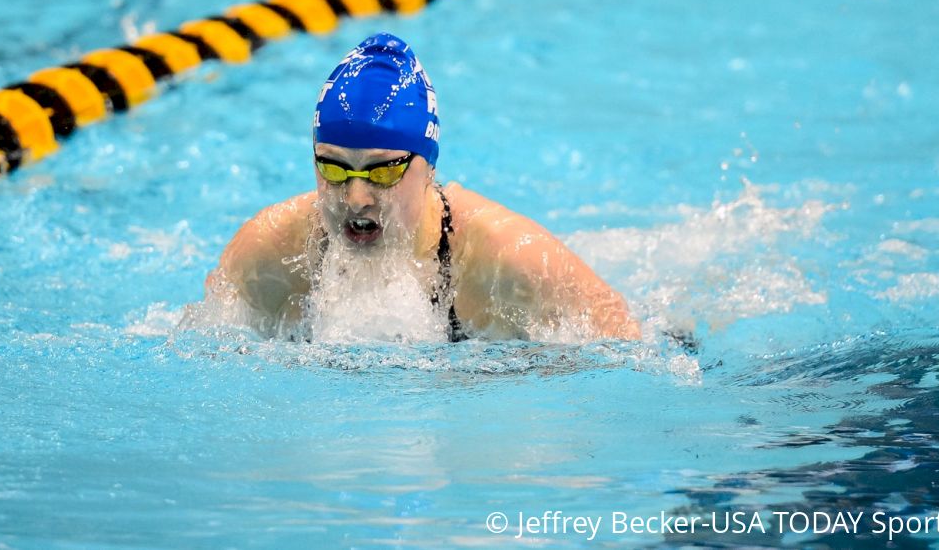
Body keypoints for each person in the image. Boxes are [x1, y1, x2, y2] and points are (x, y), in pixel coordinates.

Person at [203, 33, 638, 343]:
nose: (355, 197)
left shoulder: (510, 261)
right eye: (333, 169)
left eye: (383, 170)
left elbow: (625, 349)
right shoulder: (267, 254)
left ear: (428, 168)